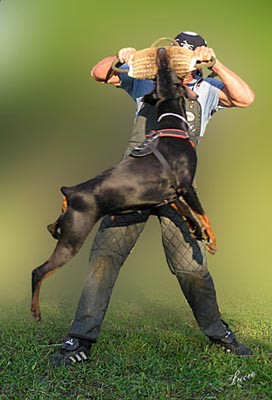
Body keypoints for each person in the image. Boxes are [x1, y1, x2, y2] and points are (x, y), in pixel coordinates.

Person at [50, 31, 255, 366]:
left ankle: (218, 331)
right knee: (105, 258)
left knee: (190, 267)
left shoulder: (206, 90)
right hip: (133, 183)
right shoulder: (145, 83)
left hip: (177, 190)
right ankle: (80, 341)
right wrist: (121, 56)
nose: (179, 64)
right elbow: (99, 73)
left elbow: (245, 98)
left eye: (186, 59)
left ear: (196, 61)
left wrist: (216, 65)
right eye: (175, 56)